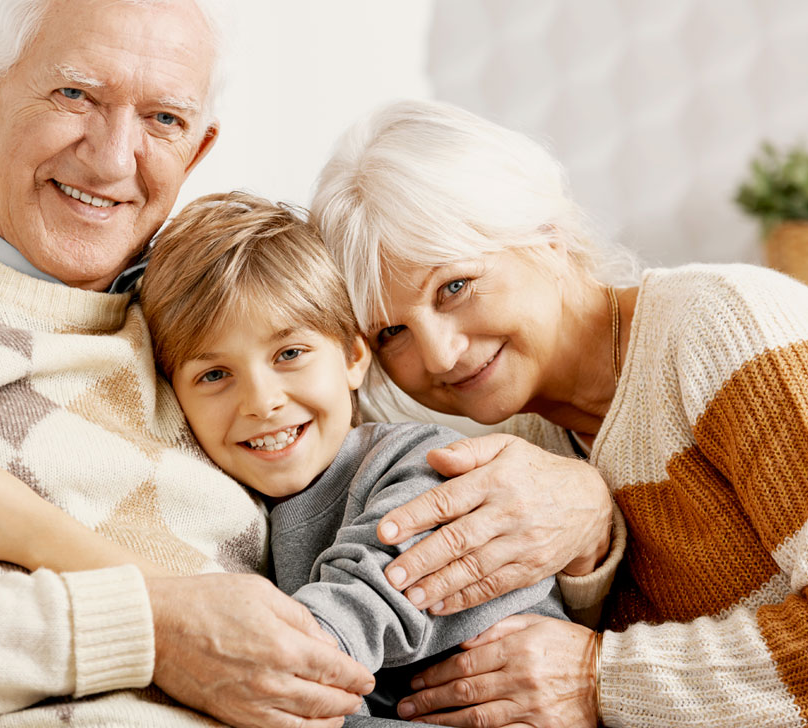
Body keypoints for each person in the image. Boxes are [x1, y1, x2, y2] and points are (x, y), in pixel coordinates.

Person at [0, 1, 380, 726]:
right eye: (75, 95)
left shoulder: (215, 321)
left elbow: (423, 432)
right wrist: (150, 627)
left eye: (164, 120)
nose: (112, 156)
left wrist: (570, 495)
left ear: (199, 147)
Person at [0, 191, 569, 720]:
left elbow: (305, 665)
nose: (262, 401)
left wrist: (28, 531)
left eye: (291, 354)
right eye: (214, 375)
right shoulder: (253, 509)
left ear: (355, 355)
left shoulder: (425, 471)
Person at [310, 97, 808, 727]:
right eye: (391, 334)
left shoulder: (724, 328)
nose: (439, 354)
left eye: (454, 286)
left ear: (545, 235)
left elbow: (580, 678)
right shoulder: (511, 453)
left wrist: (599, 676)